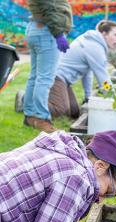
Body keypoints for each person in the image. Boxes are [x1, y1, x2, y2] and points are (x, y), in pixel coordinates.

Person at [48, 20, 116, 119]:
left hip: (64, 81)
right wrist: (113, 98)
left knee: (74, 112)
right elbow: (103, 79)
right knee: (61, 110)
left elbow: (88, 74)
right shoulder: (95, 48)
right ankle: (27, 101)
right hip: (57, 77)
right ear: (104, 34)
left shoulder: (93, 42)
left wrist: (88, 97)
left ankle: (45, 97)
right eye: (115, 35)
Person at [23, 0, 72, 133]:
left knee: (35, 77)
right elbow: (49, 8)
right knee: (44, 79)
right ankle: (41, 118)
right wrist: (59, 34)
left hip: (37, 28)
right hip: (47, 31)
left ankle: (30, 116)